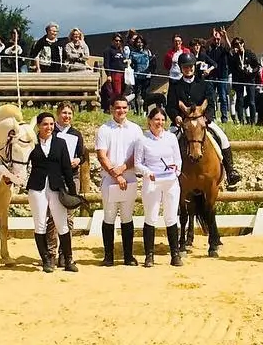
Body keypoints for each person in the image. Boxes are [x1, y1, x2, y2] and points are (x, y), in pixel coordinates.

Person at [167, 52, 242, 189]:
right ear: (181, 68)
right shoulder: (175, 86)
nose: (188, 69)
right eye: (185, 67)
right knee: (166, 141)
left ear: (194, 67)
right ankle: (164, 172)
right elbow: (170, 106)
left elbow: (211, 104)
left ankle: (231, 171)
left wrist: (206, 118)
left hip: (202, 121)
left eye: (190, 67)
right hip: (182, 122)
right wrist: (176, 117)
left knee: (222, 137)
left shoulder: (204, 84)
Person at [26, 112, 78, 273]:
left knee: (62, 224)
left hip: (56, 187)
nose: (48, 127)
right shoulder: (31, 143)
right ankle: (46, 259)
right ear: (39, 126)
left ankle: (68, 259)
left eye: (51, 124)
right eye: (45, 124)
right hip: (37, 187)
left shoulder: (60, 143)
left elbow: (66, 169)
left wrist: (73, 191)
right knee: (40, 224)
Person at [95, 95, 143, 266]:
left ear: (128, 109)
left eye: (124, 107)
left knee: (127, 216)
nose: (121, 111)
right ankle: (108, 256)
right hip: (110, 178)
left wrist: (122, 170)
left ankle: (128, 256)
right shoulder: (104, 129)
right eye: (118, 108)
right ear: (111, 109)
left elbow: (137, 154)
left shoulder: (136, 129)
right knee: (109, 216)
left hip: (128, 176)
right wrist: (116, 175)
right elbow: (102, 155)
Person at [135, 107, 184, 267]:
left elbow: (178, 159)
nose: (160, 122)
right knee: (151, 217)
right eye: (156, 119)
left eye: (162, 120)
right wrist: (148, 172)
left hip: (170, 182)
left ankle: (175, 254)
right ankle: (149, 255)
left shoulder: (171, 138)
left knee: (170, 217)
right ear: (149, 121)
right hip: (152, 182)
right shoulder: (142, 140)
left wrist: (176, 170)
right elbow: (137, 164)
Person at [46, 102, 85, 267]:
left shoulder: (76, 134)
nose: (67, 116)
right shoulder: (50, 131)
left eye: (70, 113)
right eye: (64, 113)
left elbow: (82, 155)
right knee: (52, 218)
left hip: (71, 177)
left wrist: (78, 160)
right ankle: (51, 252)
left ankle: (65, 253)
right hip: (53, 178)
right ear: (57, 114)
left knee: (69, 217)